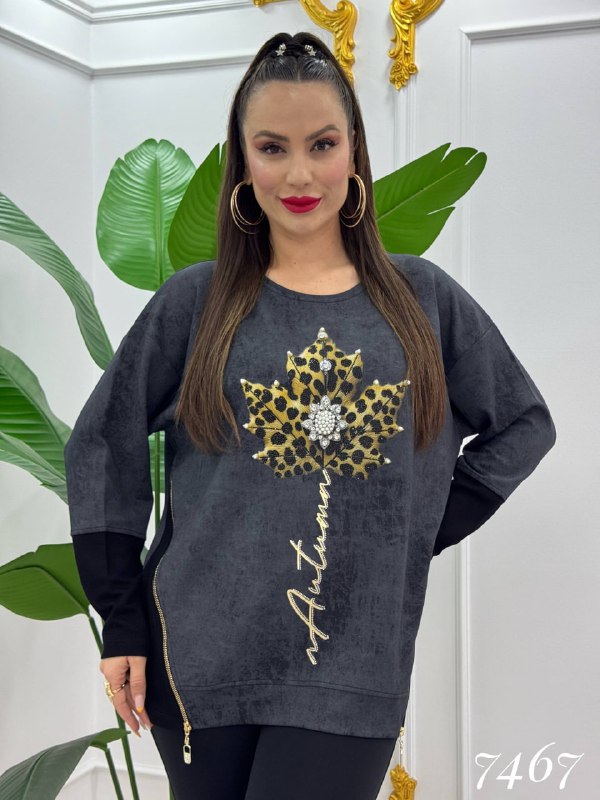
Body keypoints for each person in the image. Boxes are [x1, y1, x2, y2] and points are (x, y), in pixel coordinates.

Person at [63, 30, 557, 800]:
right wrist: (122, 621)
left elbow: (523, 424)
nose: (299, 174)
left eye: (322, 144)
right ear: (244, 161)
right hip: (197, 659)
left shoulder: (423, 299)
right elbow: (102, 442)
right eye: (272, 147)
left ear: (353, 150)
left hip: (352, 664)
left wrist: (416, 526)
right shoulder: (195, 303)